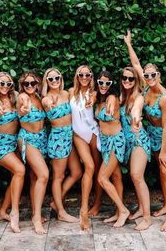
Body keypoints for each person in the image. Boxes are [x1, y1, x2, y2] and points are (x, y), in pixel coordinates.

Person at [124, 30, 166, 231]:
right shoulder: (146, 87)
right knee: (160, 171)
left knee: (165, 173)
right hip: (153, 135)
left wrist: (164, 150)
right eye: (146, 75)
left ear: (159, 75)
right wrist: (129, 44)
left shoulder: (165, 98)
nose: (148, 77)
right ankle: (165, 205)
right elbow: (137, 64)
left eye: (152, 75)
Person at [0, 72, 25, 233]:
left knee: (15, 176)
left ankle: (2, 212)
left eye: (8, 84)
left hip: (13, 143)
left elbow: (24, 101)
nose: (5, 87)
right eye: (1, 83)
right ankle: (14, 212)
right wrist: (0, 111)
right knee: (20, 170)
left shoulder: (14, 96)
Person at [42, 68, 80, 223]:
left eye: (57, 78)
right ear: (46, 81)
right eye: (51, 79)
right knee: (58, 176)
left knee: (77, 172)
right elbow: (47, 103)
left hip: (70, 135)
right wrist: (51, 104)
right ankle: (61, 211)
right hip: (58, 138)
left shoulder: (67, 93)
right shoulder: (46, 98)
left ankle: (55, 203)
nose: (54, 81)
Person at [69, 65, 102, 230]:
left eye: (87, 74)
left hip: (94, 134)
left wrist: (91, 100)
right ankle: (83, 209)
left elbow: (93, 100)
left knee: (97, 170)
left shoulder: (94, 93)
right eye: (80, 74)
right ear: (77, 76)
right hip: (79, 136)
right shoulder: (70, 92)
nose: (84, 77)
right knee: (89, 166)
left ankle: (97, 203)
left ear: (91, 76)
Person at [96, 71, 130, 228]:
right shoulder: (98, 99)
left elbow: (110, 109)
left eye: (107, 83)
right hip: (105, 142)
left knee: (102, 178)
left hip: (115, 141)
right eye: (101, 82)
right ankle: (117, 212)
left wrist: (109, 109)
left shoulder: (111, 98)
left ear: (111, 85)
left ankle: (123, 211)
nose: (103, 85)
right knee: (116, 176)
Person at [17, 71, 49, 235]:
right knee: (44, 174)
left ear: (37, 84)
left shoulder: (39, 97)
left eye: (32, 83)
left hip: (41, 139)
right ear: (22, 86)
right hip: (28, 140)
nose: (29, 86)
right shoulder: (23, 97)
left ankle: (35, 212)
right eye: (26, 84)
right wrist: (24, 109)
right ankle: (36, 218)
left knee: (35, 177)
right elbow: (23, 107)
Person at [120, 66, 152, 230]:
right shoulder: (121, 97)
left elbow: (136, 110)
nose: (127, 81)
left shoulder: (138, 97)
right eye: (124, 78)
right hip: (128, 143)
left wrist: (136, 120)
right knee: (136, 177)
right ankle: (141, 208)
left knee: (136, 175)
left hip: (139, 140)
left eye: (130, 79)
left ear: (136, 81)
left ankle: (147, 218)